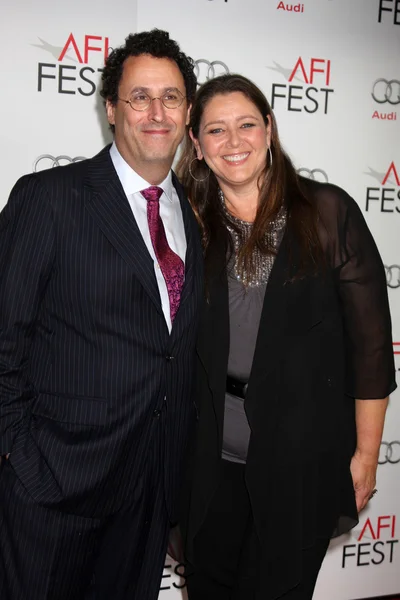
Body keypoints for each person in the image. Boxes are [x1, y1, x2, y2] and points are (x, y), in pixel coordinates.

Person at [176, 74, 396, 600]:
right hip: (208, 462)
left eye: (247, 124)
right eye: (216, 130)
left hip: (303, 461)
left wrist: (366, 458)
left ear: (270, 129)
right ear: (197, 145)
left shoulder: (326, 213)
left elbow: (370, 348)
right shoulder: (187, 222)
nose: (234, 142)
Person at [0, 29, 202, 600]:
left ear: (188, 112)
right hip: (54, 494)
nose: (156, 112)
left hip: (148, 499)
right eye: (140, 97)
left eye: (171, 97)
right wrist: (23, 459)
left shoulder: (192, 211)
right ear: (112, 109)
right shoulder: (51, 197)